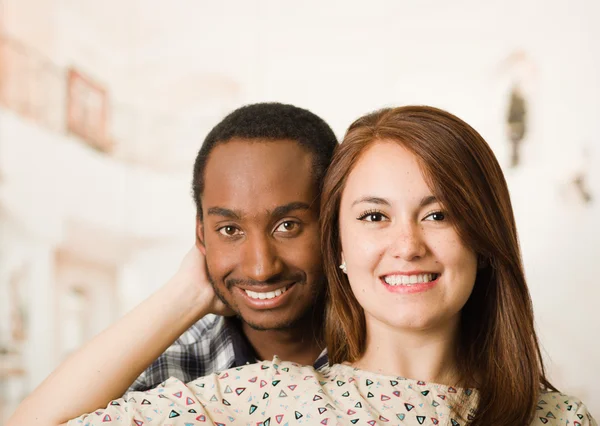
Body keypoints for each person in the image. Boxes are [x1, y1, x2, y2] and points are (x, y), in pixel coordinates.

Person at [9, 106, 596, 426]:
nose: (407, 244)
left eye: (438, 214)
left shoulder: (562, 419)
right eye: (373, 217)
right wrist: (188, 292)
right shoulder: (262, 399)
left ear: (484, 236)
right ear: (339, 247)